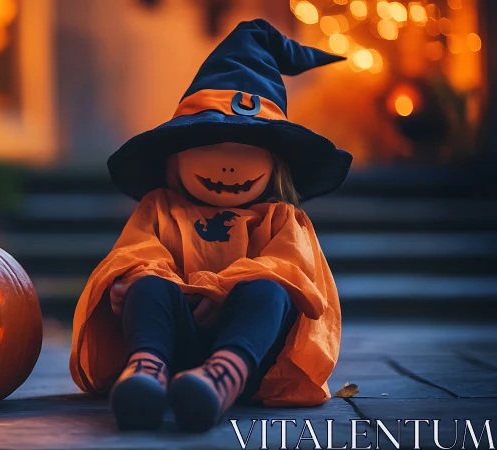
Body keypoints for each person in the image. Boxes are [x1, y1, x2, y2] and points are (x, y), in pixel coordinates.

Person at [69, 19, 353, 432]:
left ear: (275, 162)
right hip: (174, 343)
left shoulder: (281, 218)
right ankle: (145, 372)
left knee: (271, 290)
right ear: (177, 154)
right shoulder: (160, 208)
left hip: (254, 355)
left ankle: (222, 377)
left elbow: (294, 272)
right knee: (146, 283)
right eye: (208, 144)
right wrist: (127, 285)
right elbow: (137, 253)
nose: (226, 163)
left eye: (246, 148)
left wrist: (220, 291)